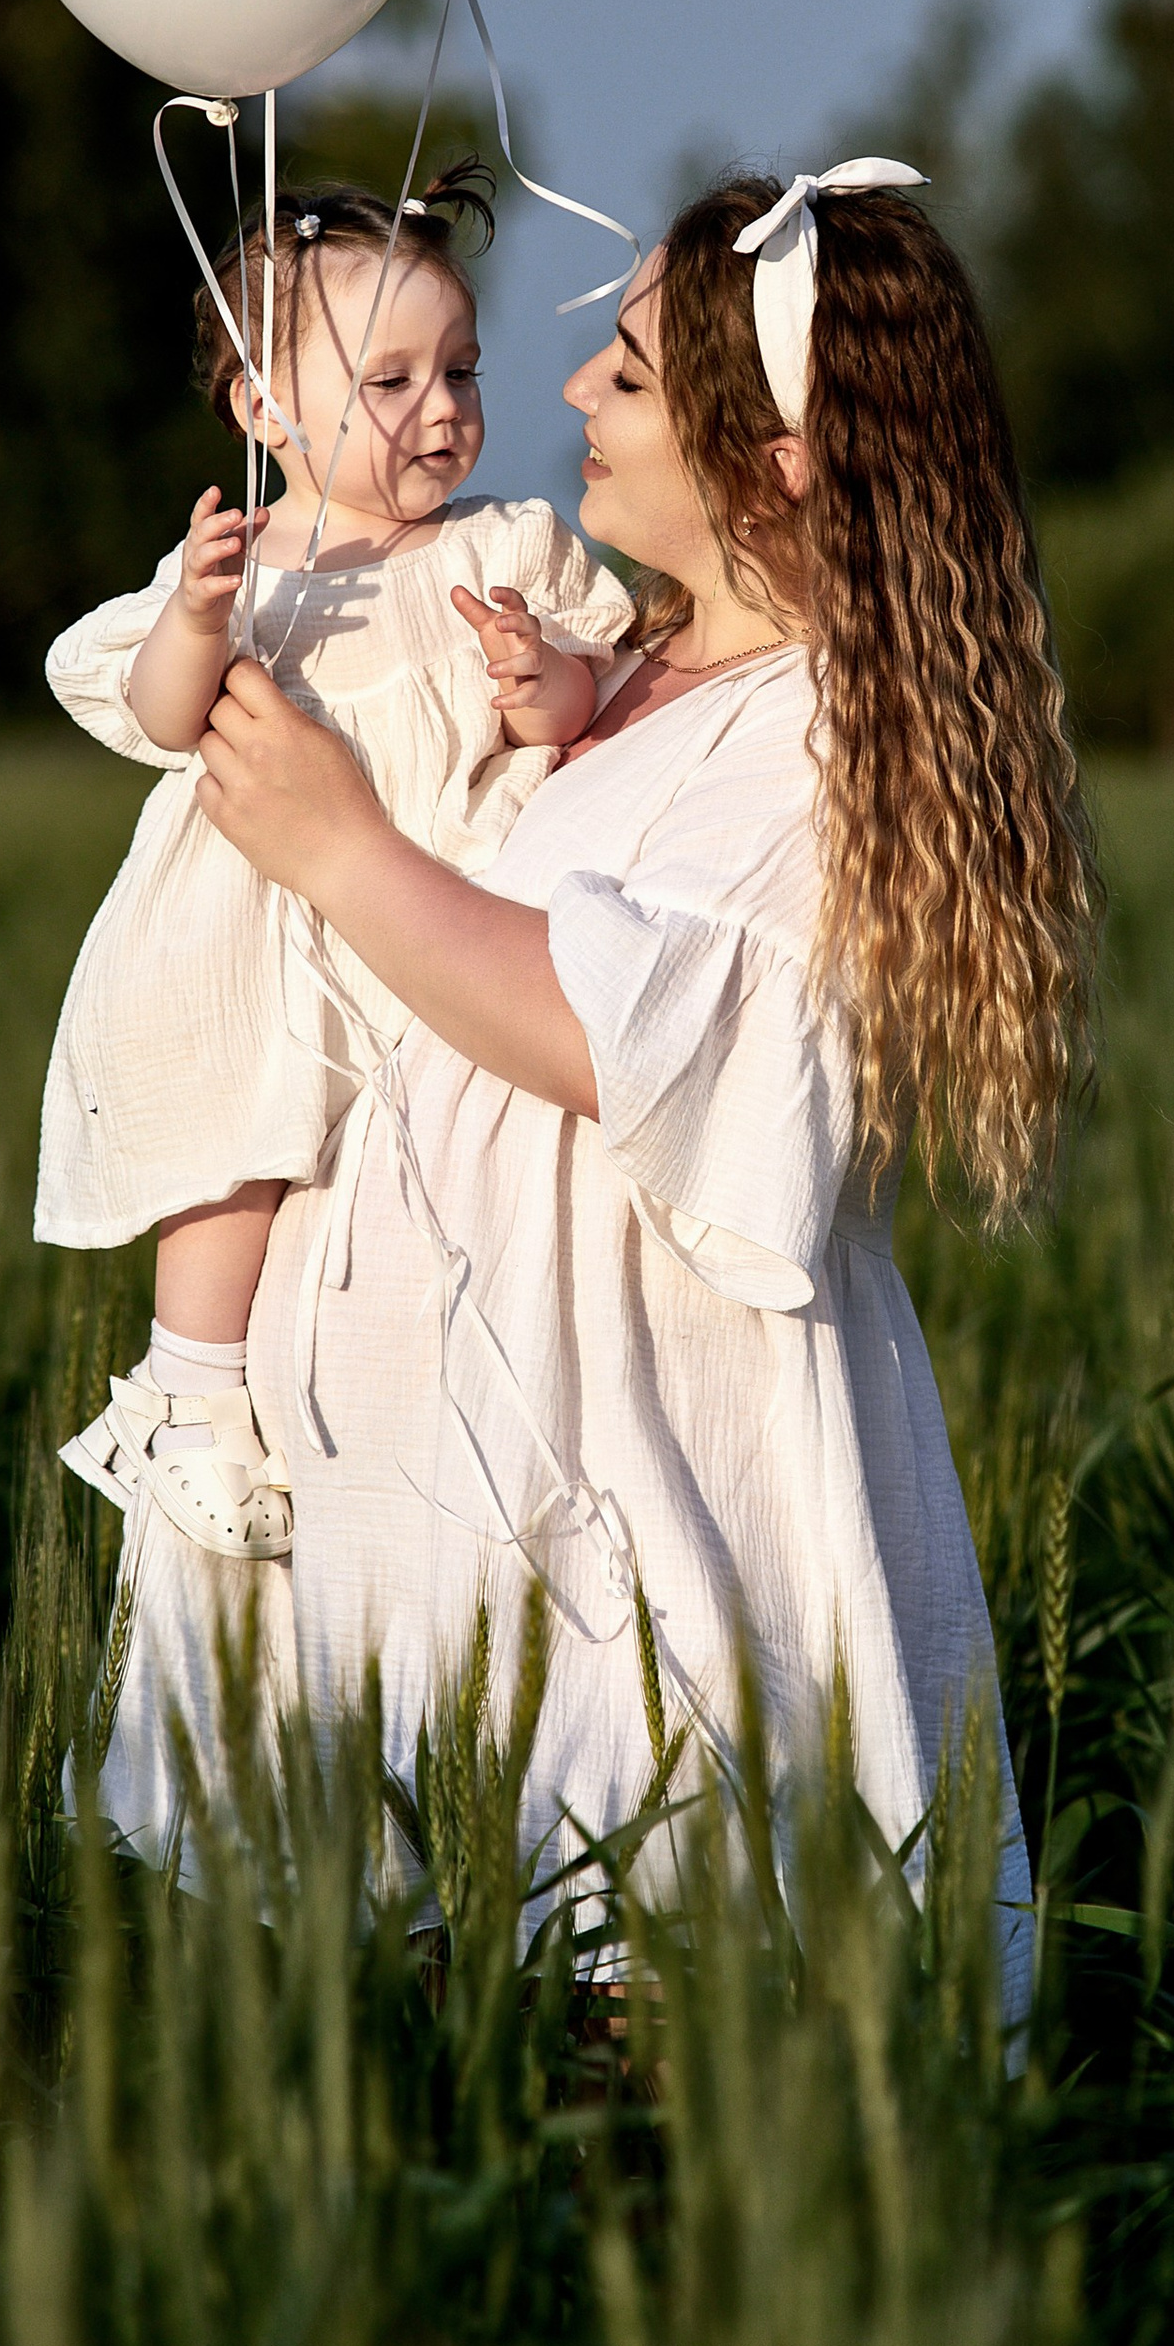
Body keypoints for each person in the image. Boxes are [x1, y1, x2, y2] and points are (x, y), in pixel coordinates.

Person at [86, 162, 1101, 2001]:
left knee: (646, 1962)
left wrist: (340, 854)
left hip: (628, 1475)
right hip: (425, 1471)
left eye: (626, 375)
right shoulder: (616, 665)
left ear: (773, 456)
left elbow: (624, 1038)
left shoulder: (823, 734)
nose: (561, 403)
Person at [36, 159, 635, 1556]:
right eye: (393, 381)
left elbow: (580, 708)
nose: (444, 411)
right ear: (263, 407)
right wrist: (196, 611)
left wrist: (535, 673)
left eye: (464, 369)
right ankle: (185, 1388)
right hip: (261, 927)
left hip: (430, 914)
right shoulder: (258, 577)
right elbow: (160, 713)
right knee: (234, 1143)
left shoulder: (504, 549)